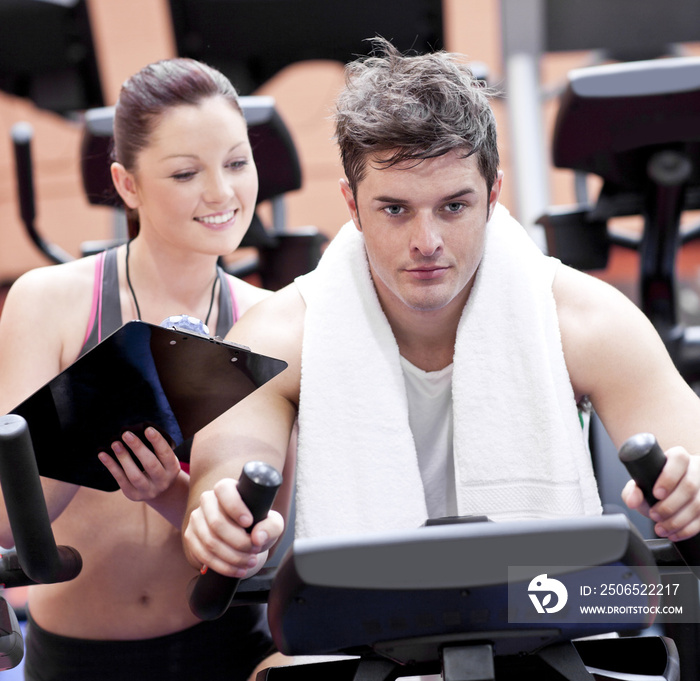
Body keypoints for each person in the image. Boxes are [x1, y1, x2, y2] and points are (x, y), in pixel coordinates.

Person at [182, 38, 700, 582]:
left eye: (454, 206)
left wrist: (689, 491)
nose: (426, 240)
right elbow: (221, 480)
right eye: (395, 209)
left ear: (493, 195)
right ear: (352, 205)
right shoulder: (278, 336)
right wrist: (218, 521)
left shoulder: (587, 319)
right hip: (364, 630)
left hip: (545, 614)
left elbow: (687, 453)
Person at [0, 58, 287, 680]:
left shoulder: (270, 319)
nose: (221, 193)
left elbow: (264, 544)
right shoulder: (47, 301)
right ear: (127, 185)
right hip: (78, 654)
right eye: (186, 173)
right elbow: (4, 522)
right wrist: (85, 430)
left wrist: (166, 493)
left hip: (227, 643)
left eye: (237, 163)